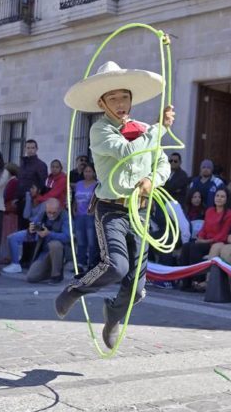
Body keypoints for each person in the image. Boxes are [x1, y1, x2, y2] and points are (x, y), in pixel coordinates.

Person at [54, 61, 175, 349]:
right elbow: (127, 151)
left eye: (124, 97)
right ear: (102, 103)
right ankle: (75, 288)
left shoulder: (145, 129)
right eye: (113, 98)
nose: (121, 103)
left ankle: (113, 315)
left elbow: (162, 163)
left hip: (140, 210)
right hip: (111, 209)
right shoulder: (100, 130)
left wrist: (152, 179)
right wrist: (159, 129)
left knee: (137, 289)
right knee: (116, 266)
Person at [178, 187, 231, 291]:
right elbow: (204, 229)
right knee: (186, 246)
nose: (219, 198)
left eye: (222, 196)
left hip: (218, 243)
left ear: (227, 199)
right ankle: (186, 282)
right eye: (217, 196)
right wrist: (200, 237)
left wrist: (205, 241)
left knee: (195, 248)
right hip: (205, 241)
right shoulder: (210, 211)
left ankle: (198, 281)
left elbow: (224, 233)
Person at [25, 198, 72, 283]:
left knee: (55, 245)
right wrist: (31, 230)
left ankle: (56, 275)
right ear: (46, 209)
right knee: (31, 277)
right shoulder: (42, 215)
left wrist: (49, 233)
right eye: (49, 212)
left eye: (54, 213)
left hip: (60, 252)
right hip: (44, 252)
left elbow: (67, 237)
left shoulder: (65, 216)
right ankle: (49, 271)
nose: (51, 215)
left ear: (59, 209)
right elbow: (33, 228)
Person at [72, 162, 99, 272]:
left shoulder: (97, 185)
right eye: (85, 171)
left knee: (91, 241)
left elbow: (98, 200)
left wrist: (93, 212)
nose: (87, 173)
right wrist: (74, 208)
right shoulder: (79, 184)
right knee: (80, 241)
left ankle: (91, 263)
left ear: (94, 173)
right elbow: (75, 198)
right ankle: (80, 263)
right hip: (79, 216)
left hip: (90, 217)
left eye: (90, 171)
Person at [16, 139, 48, 229]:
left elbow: (42, 183)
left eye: (32, 148)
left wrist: (36, 196)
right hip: (21, 200)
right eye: (28, 148)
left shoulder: (41, 165)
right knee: (21, 227)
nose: (30, 150)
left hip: (33, 201)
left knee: (34, 227)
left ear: (36, 149)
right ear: (25, 149)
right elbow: (19, 181)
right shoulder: (22, 164)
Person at [0, 163, 20, 263]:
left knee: (7, 234)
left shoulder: (13, 182)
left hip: (9, 211)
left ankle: (7, 257)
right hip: (9, 210)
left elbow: (7, 195)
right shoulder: (12, 181)